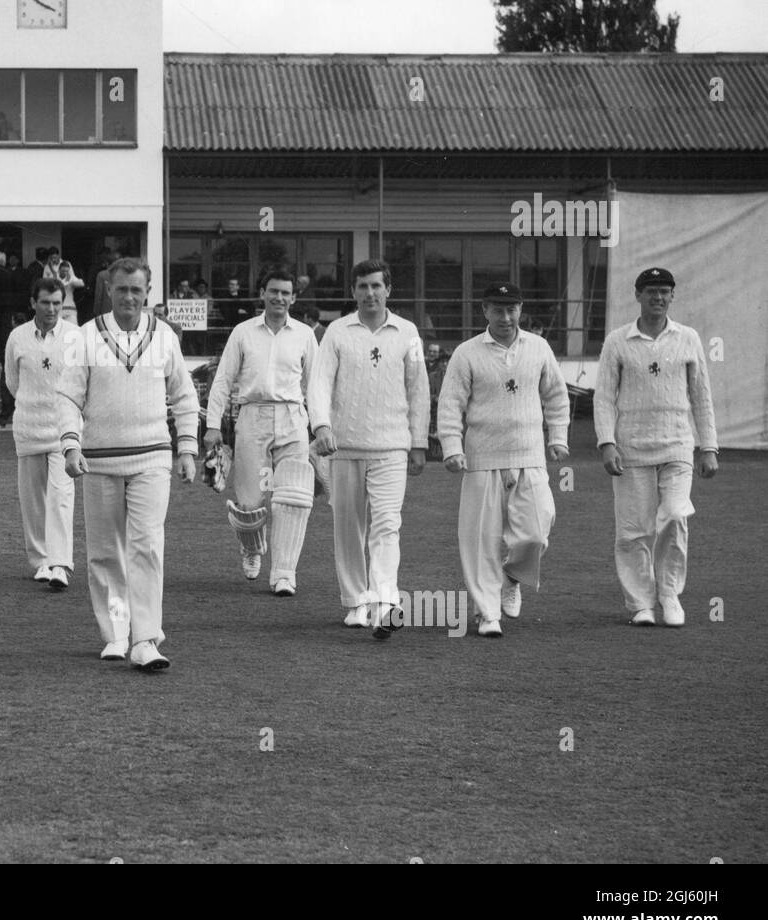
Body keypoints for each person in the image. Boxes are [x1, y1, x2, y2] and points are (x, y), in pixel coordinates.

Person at [57, 257, 199, 671]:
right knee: (104, 553)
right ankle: (117, 633)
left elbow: (185, 397)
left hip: (153, 456)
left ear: (147, 293)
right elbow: (68, 396)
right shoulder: (85, 337)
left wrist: (187, 448)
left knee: (147, 547)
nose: (130, 297)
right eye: (122, 289)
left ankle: (145, 639)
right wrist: (70, 445)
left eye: (137, 290)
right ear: (109, 291)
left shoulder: (165, 337)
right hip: (99, 459)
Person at [436, 283, 570, 638]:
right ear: (485, 311)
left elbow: (556, 396)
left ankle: (512, 578)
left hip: (529, 455)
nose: (506, 317)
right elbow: (450, 403)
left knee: (537, 529)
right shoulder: (467, 353)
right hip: (481, 458)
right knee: (480, 539)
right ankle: (486, 612)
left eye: (512, 309)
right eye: (498, 309)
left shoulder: (538, 347)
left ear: (520, 309)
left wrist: (557, 438)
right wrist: (452, 447)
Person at [309, 259, 429, 639]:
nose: (370, 293)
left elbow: (419, 389)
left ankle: (386, 603)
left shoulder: (408, 332)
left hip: (392, 446)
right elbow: (319, 383)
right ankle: (356, 602)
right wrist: (321, 426)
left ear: (388, 289)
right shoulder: (337, 332)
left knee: (387, 525)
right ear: (353, 291)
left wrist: (419, 442)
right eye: (362, 286)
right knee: (349, 527)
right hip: (344, 447)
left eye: (376, 285)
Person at [594, 267, 718, 628]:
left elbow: (701, 395)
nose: (658, 298)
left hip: (678, 445)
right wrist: (607, 443)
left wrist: (708, 446)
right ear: (638, 296)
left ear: (672, 296)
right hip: (631, 448)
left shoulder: (688, 338)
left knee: (676, 516)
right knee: (634, 530)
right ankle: (641, 603)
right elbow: (603, 397)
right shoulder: (618, 340)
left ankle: (669, 594)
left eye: (664, 292)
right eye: (651, 292)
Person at [205, 268, 319, 598]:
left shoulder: (304, 335)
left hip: (291, 417)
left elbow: (317, 385)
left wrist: (322, 426)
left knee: (292, 498)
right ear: (262, 294)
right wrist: (213, 425)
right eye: (274, 291)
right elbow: (224, 380)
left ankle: (284, 572)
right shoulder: (243, 332)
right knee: (250, 501)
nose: (279, 298)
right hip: (252, 415)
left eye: (285, 293)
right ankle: (252, 548)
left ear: (294, 297)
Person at [4, 277, 79, 589]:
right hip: (29, 427)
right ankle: (40, 562)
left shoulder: (76, 336)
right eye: (46, 303)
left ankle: (60, 563)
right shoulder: (17, 337)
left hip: (64, 430)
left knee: (62, 496)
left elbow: (81, 381)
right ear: (33, 302)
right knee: (33, 500)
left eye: (57, 303)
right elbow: (12, 382)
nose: (52, 309)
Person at [56, 259, 85, 326]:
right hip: (58, 309)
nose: (65, 273)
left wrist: (71, 282)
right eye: (63, 271)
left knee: (73, 330)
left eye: (66, 271)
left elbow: (82, 284)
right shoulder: (54, 279)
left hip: (70, 308)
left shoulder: (72, 278)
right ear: (59, 270)